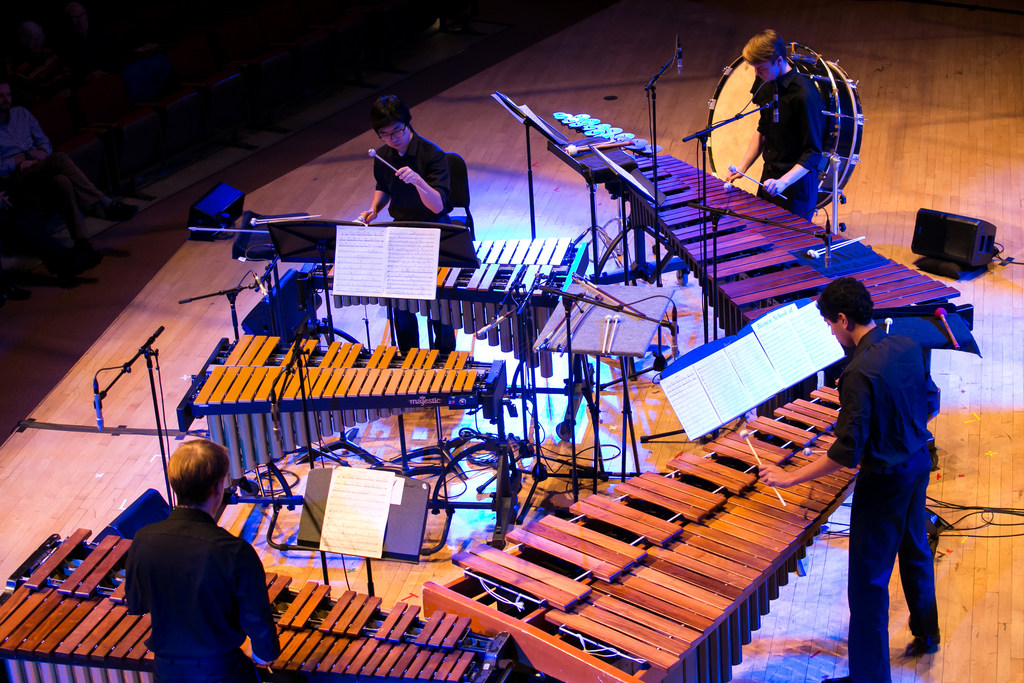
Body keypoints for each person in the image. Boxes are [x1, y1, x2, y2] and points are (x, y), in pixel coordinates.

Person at [759, 277, 941, 683]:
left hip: (886, 482)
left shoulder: (857, 373)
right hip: (918, 465)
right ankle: (927, 632)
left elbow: (846, 453)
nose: (831, 332)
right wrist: (902, 432)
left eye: (829, 324)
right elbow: (931, 400)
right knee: (915, 549)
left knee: (868, 588)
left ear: (843, 319)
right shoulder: (907, 344)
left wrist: (789, 478)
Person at [125, 439, 279, 682]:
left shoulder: (142, 540)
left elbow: (137, 604)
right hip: (221, 673)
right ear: (218, 488)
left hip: (167, 672)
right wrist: (264, 655)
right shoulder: (234, 551)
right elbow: (257, 621)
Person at [358, 94, 455, 353]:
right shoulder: (382, 155)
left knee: (438, 311)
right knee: (401, 309)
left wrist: (419, 181)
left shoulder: (432, 155)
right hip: (401, 234)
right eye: (385, 134)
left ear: (408, 123)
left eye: (397, 130)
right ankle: (409, 358)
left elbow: (437, 206)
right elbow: (383, 187)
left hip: (435, 234)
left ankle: (446, 359)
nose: (393, 138)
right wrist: (373, 209)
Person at [0, 78, 136, 263]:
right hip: (15, 177)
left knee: (62, 182)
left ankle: (82, 245)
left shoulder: (21, 114)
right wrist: (19, 159)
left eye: (8, 94)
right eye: (1, 96)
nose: (6, 99)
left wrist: (37, 155)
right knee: (60, 158)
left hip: (38, 166)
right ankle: (104, 203)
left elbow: (45, 143)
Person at [725, 29, 825, 221]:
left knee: (790, 247)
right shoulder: (766, 82)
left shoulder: (805, 96)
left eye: (760, 68)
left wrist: (783, 182)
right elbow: (763, 129)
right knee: (762, 238)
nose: (756, 73)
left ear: (779, 61)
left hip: (796, 188)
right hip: (769, 180)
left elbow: (813, 153)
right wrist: (742, 168)